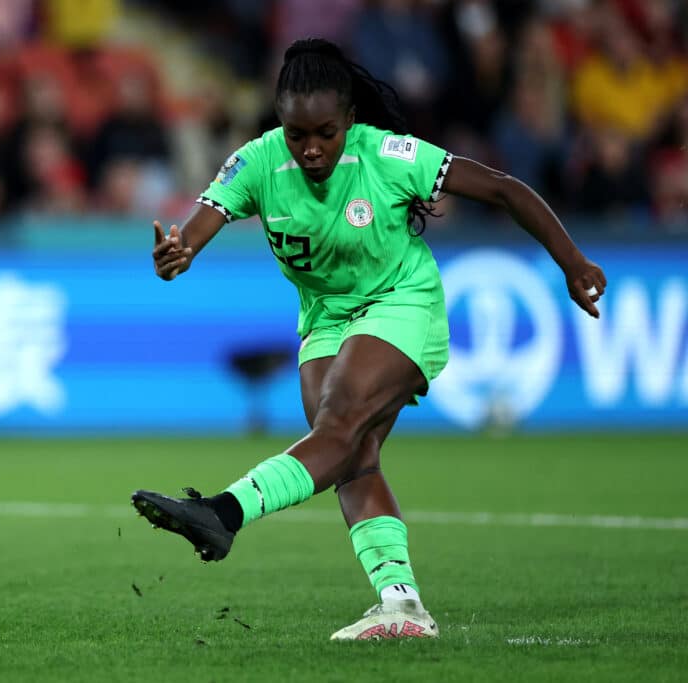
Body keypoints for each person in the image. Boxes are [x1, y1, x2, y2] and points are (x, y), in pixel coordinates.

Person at [131, 38, 607, 642]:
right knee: (350, 460)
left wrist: (571, 262)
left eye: (325, 133)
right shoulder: (256, 162)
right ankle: (401, 603)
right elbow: (202, 220)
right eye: (296, 133)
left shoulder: (388, 155)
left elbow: (504, 188)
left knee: (336, 429)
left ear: (349, 118)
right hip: (326, 318)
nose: (310, 148)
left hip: (401, 303)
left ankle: (222, 513)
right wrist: (181, 253)